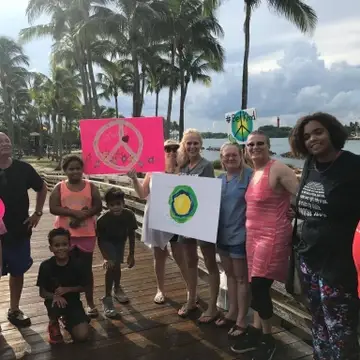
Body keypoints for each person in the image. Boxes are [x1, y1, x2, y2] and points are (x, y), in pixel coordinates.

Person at [290, 112, 360, 360]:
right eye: (306, 136)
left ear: (331, 131)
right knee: (318, 324)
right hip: (309, 261)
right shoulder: (310, 164)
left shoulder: (353, 165)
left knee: (341, 332)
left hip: (338, 266)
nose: (312, 139)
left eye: (318, 132)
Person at [231, 130, 298, 359]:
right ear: (246, 149)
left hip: (273, 236)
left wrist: (295, 210)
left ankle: (269, 339)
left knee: (259, 286)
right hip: (254, 236)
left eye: (260, 144)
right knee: (256, 286)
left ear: (268, 146)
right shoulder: (255, 172)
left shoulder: (277, 168)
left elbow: (301, 195)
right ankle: (257, 330)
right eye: (250, 145)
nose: (255, 148)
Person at [128, 139, 188, 305]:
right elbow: (142, 193)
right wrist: (134, 179)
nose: (171, 151)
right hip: (156, 216)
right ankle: (160, 289)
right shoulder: (152, 170)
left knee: (179, 255)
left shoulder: (184, 171)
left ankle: (191, 289)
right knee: (159, 255)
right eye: (167, 148)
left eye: (175, 148)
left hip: (176, 219)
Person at [0, 132, 47, 327]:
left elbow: (42, 188)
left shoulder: (24, 168)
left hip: (19, 230)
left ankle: (14, 309)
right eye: (0, 142)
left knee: (17, 271)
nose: (5, 144)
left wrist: (37, 213)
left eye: (7, 140)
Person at [49, 155, 102, 317]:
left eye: (78, 168)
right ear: (65, 170)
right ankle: (68, 304)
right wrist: (74, 213)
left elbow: (98, 206)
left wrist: (83, 216)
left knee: (86, 271)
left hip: (86, 234)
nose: (75, 171)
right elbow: (53, 207)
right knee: (65, 270)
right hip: (65, 236)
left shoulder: (90, 186)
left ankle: (90, 303)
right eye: (71, 169)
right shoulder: (59, 187)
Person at [177, 129, 219, 323]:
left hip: (203, 221)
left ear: (201, 145)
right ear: (184, 145)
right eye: (189, 143)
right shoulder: (182, 166)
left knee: (210, 264)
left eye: (195, 143)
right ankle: (191, 299)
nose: (192, 146)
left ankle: (212, 305)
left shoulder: (207, 165)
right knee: (190, 262)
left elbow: (209, 194)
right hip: (185, 220)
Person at [215, 143, 252, 339]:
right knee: (229, 275)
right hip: (221, 235)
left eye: (234, 155)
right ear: (222, 158)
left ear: (241, 155)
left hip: (240, 235)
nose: (230, 158)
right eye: (226, 155)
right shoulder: (219, 179)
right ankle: (231, 312)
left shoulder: (250, 176)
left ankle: (241, 319)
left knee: (241, 278)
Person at [37, 228, 90, 344]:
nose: (61, 248)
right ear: (51, 248)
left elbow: (85, 287)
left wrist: (69, 289)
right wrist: (54, 296)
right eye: (57, 245)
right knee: (55, 305)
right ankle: (53, 322)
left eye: (64, 244)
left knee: (82, 336)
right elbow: (42, 292)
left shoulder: (78, 264)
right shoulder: (45, 266)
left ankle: (68, 320)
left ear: (70, 245)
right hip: (54, 302)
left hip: (73, 302)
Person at [97, 188, 137, 318]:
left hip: (120, 241)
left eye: (118, 204)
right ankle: (107, 297)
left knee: (118, 266)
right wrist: (106, 257)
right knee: (111, 265)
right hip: (107, 242)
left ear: (123, 203)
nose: (116, 207)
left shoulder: (129, 215)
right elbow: (100, 240)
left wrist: (131, 254)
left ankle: (117, 288)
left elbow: (132, 234)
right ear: (107, 205)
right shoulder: (102, 220)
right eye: (112, 205)